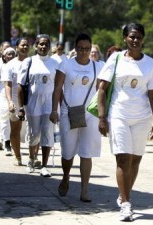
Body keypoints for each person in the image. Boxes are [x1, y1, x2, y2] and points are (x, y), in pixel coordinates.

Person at [97, 23, 153, 221]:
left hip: (142, 118)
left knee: (135, 160)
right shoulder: (115, 59)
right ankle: (126, 204)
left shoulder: (150, 63)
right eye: (131, 37)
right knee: (123, 158)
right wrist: (102, 117)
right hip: (119, 114)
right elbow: (102, 89)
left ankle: (124, 194)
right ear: (125, 38)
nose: (135, 40)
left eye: (139, 37)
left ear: (143, 39)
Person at [50, 33, 103, 202]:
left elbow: (102, 91)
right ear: (75, 48)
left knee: (87, 152)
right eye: (80, 48)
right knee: (68, 152)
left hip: (90, 114)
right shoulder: (65, 64)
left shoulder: (98, 66)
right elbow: (57, 88)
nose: (84, 52)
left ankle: (85, 190)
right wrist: (54, 110)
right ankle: (65, 177)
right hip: (68, 112)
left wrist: (103, 115)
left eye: (87, 49)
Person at [17, 34, 59, 176]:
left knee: (47, 132)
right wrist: (21, 107)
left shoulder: (55, 63)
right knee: (34, 134)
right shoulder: (29, 62)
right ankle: (31, 159)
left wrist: (56, 108)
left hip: (49, 103)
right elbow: (20, 86)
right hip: (33, 103)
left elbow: (59, 87)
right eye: (40, 44)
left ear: (49, 46)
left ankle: (44, 165)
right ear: (36, 46)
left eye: (46, 44)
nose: (43, 47)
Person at [3, 38, 30, 165]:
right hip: (15, 100)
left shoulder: (33, 63)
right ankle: (18, 156)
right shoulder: (10, 65)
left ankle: (33, 157)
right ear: (17, 47)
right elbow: (7, 85)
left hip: (31, 99)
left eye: (27, 45)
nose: (25, 47)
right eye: (22, 45)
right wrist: (10, 102)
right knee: (15, 129)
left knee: (34, 129)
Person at [0, 47, 16, 157]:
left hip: (16, 97)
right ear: (4, 56)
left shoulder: (19, 66)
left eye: (12, 54)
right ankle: (7, 144)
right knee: (4, 120)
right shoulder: (0, 67)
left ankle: (14, 142)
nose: (10, 56)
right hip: (2, 98)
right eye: (8, 54)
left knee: (14, 121)